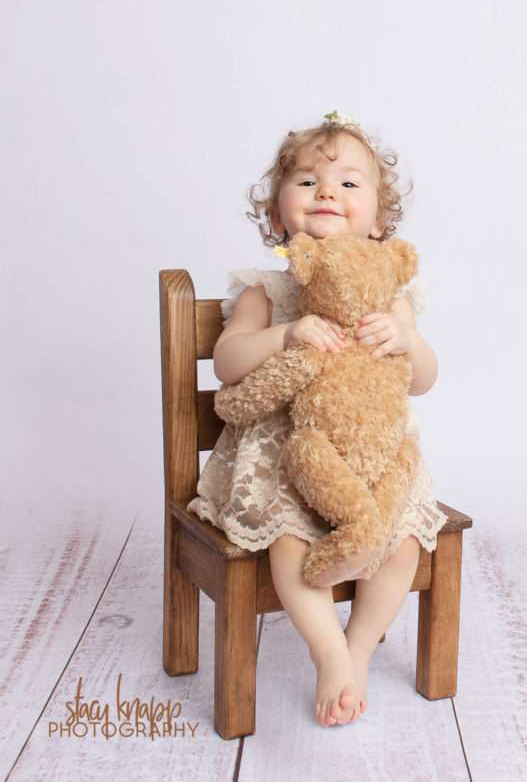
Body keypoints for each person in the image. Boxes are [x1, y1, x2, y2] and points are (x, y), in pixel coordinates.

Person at [187, 110, 446, 728]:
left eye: (349, 183)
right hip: (283, 462)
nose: (327, 191)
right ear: (278, 214)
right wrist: (286, 334)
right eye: (307, 182)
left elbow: (425, 380)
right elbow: (227, 362)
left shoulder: (393, 300)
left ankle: (357, 646)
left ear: (380, 220)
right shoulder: (265, 291)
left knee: (405, 540)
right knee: (290, 544)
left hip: (370, 464)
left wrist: (406, 341)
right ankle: (327, 648)